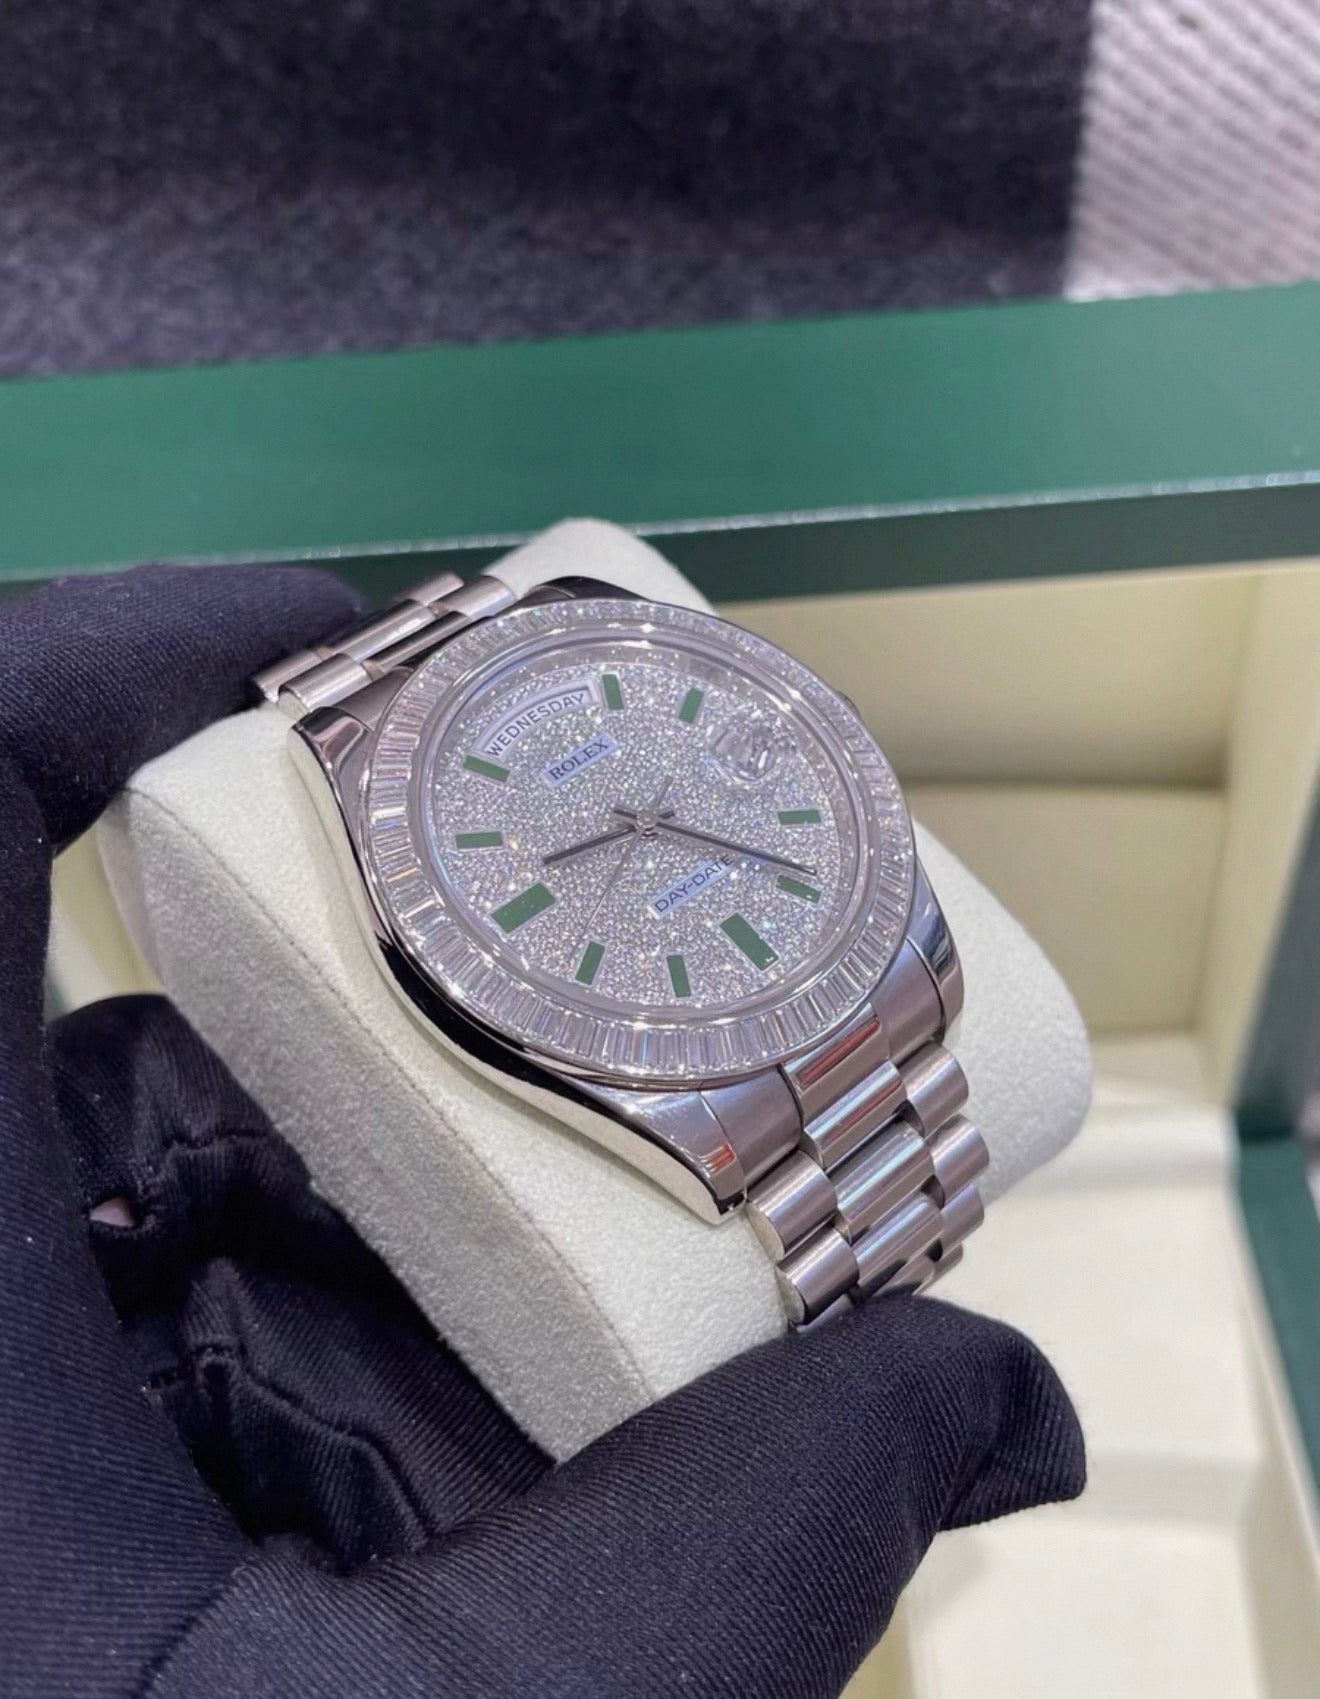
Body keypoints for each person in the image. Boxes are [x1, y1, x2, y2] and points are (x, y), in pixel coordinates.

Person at [0, 563, 1083, 1699]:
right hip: (677, 1084)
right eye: (628, 829)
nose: (642, 827)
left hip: (842, 975)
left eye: (650, 816)